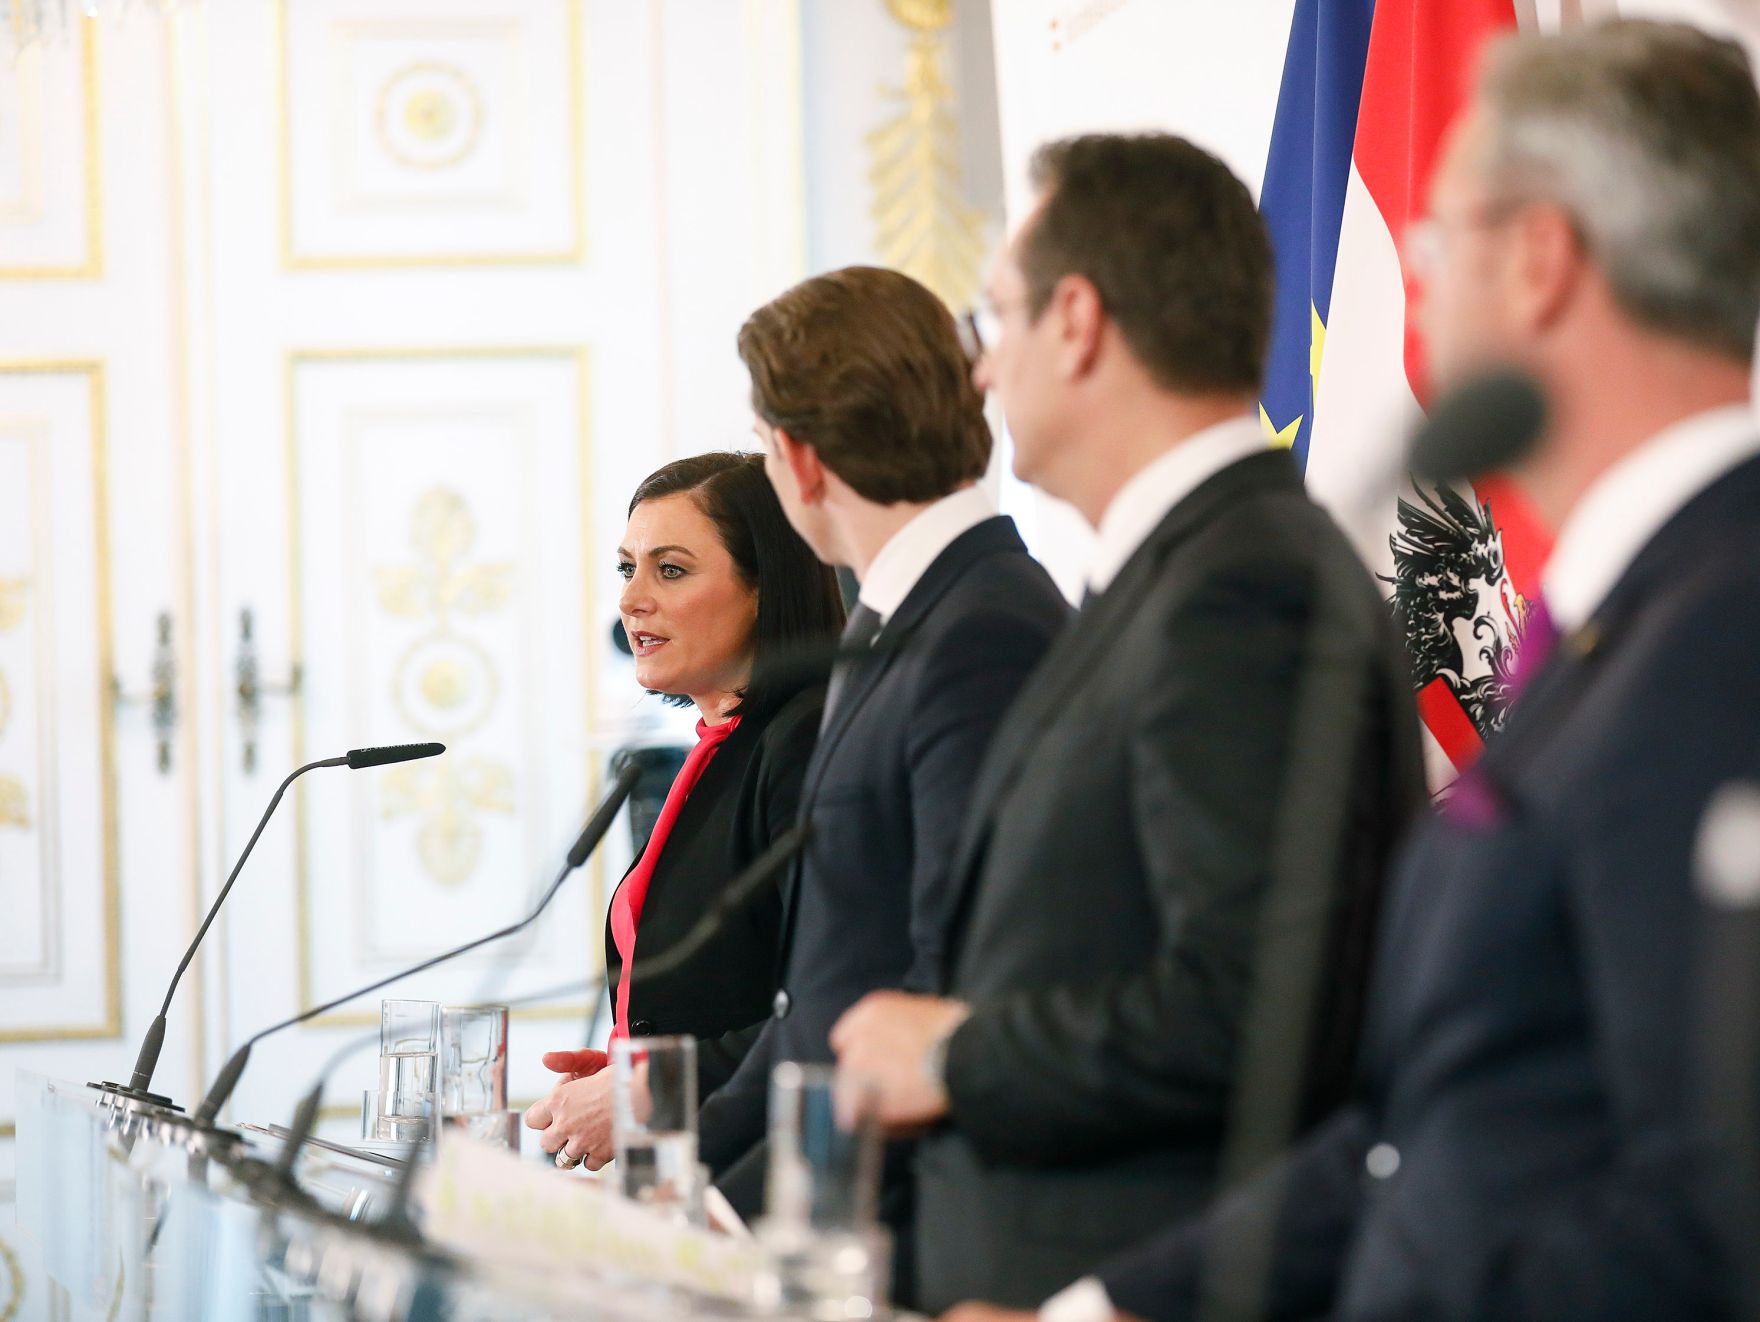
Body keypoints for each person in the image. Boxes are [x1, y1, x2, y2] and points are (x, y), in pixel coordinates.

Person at [943, 19, 1760, 1322]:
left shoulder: (1724, 635)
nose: (1418, 291)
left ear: (1541, 259)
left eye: (1430, 247)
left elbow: (1711, 1214)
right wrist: (1099, 1309)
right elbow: (1425, 1134)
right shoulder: (1616, 626)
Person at [828, 133, 1427, 1309]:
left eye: (990, 318)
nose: (981, 372)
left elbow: (1255, 1004)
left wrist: (953, 1053)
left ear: (1078, 320)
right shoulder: (1166, 572)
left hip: (1128, 1279)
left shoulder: (1239, 585)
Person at [694, 266, 1070, 1282]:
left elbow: (945, 982)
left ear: (799, 458)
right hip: (825, 1205)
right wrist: (690, 1187)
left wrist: (742, 1219)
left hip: (907, 1238)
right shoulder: (905, 615)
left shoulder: (984, 630)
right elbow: (820, 992)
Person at [524, 451, 844, 1171]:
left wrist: (648, 1092)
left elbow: (826, 1009)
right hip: (691, 1168)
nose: (632, 600)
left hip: (771, 1184)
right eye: (626, 569)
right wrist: (623, 1070)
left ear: (766, 587)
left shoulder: (802, 742)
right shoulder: (720, 746)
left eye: (669, 570)